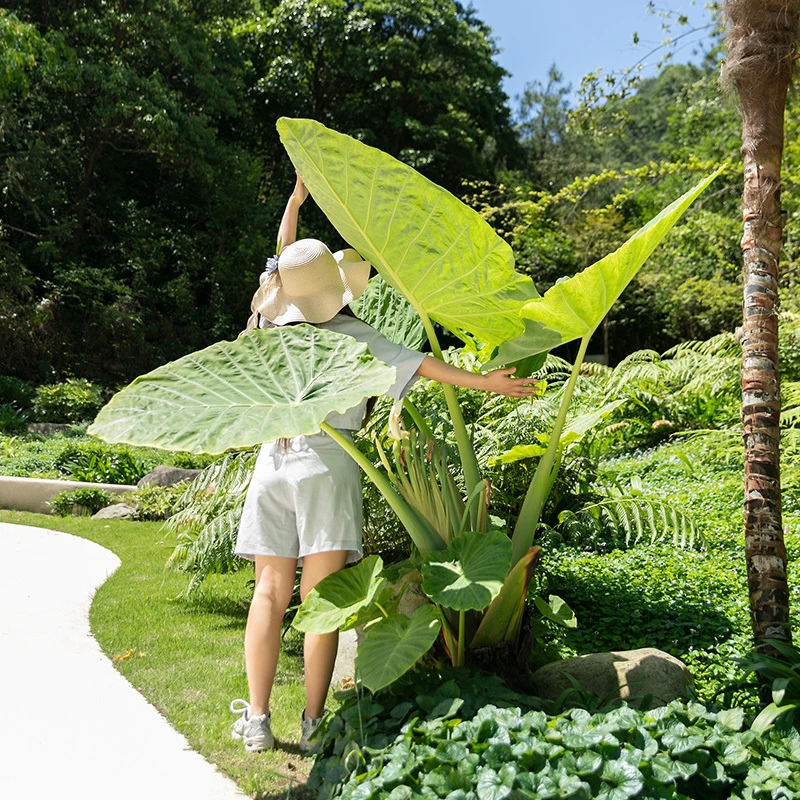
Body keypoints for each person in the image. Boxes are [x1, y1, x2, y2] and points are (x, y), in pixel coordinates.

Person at [229, 173, 537, 754]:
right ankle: (313, 722)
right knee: (319, 599)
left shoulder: (272, 323)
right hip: (329, 462)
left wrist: (294, 204)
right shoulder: (354, 335)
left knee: (268, 591)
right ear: (336, 288)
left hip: (274, 458)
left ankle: (259, 721)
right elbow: (423, 366)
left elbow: (282, 261)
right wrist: (488, 383)